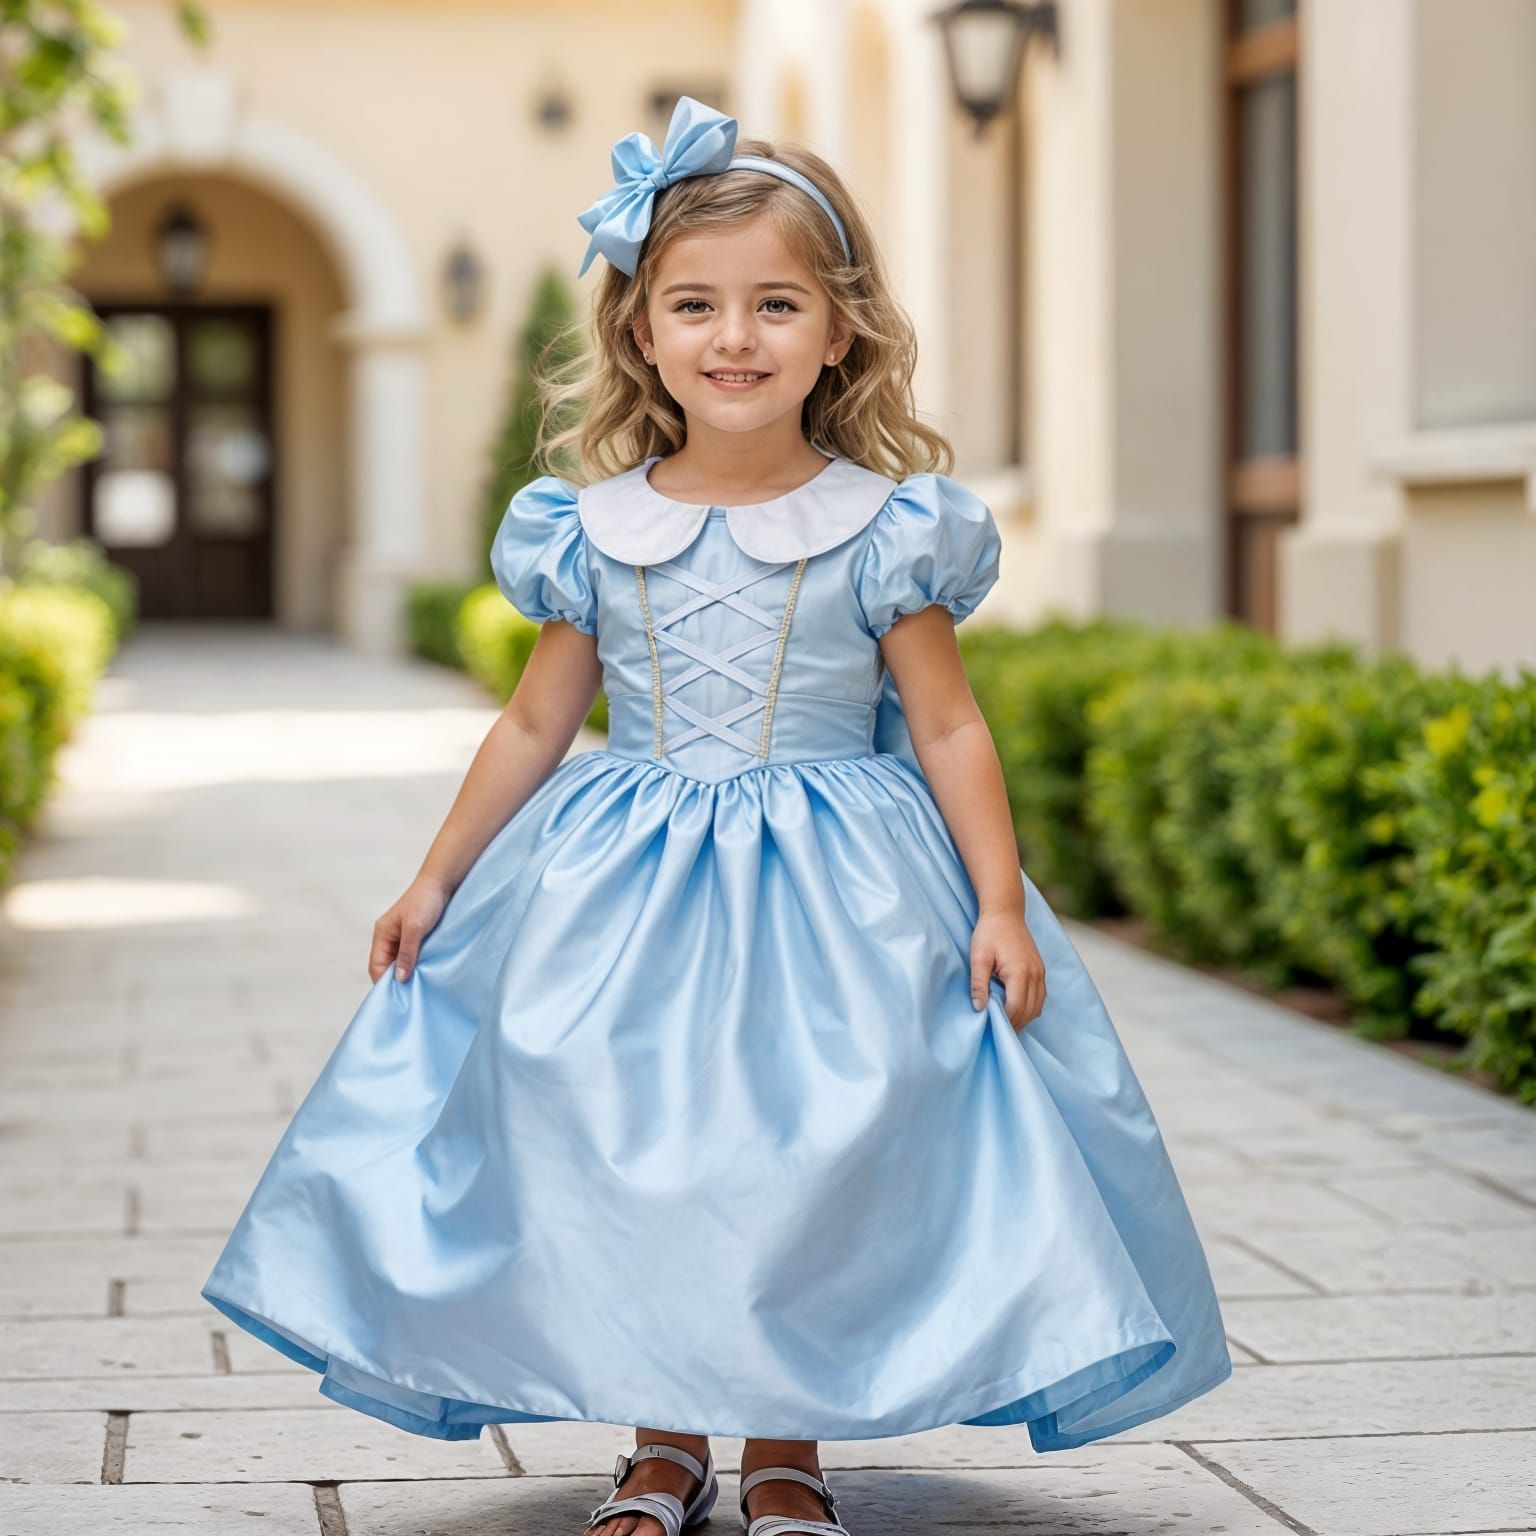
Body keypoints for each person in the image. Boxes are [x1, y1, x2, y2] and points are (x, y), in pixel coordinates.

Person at [201, 95, 1232, 1536]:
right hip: (625, 888)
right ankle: (662, 1442)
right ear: (640, 331)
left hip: (839, 891)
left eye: (774, 304)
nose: (733, 337)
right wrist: (437, 879)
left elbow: (945, 721)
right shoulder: (595, 527)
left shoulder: (885, 526)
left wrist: (998, 902)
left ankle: (786, 1445)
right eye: (695, 304)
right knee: (633, 1148)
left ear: (841, 329)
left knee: (805, 1154)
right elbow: (536, 721)